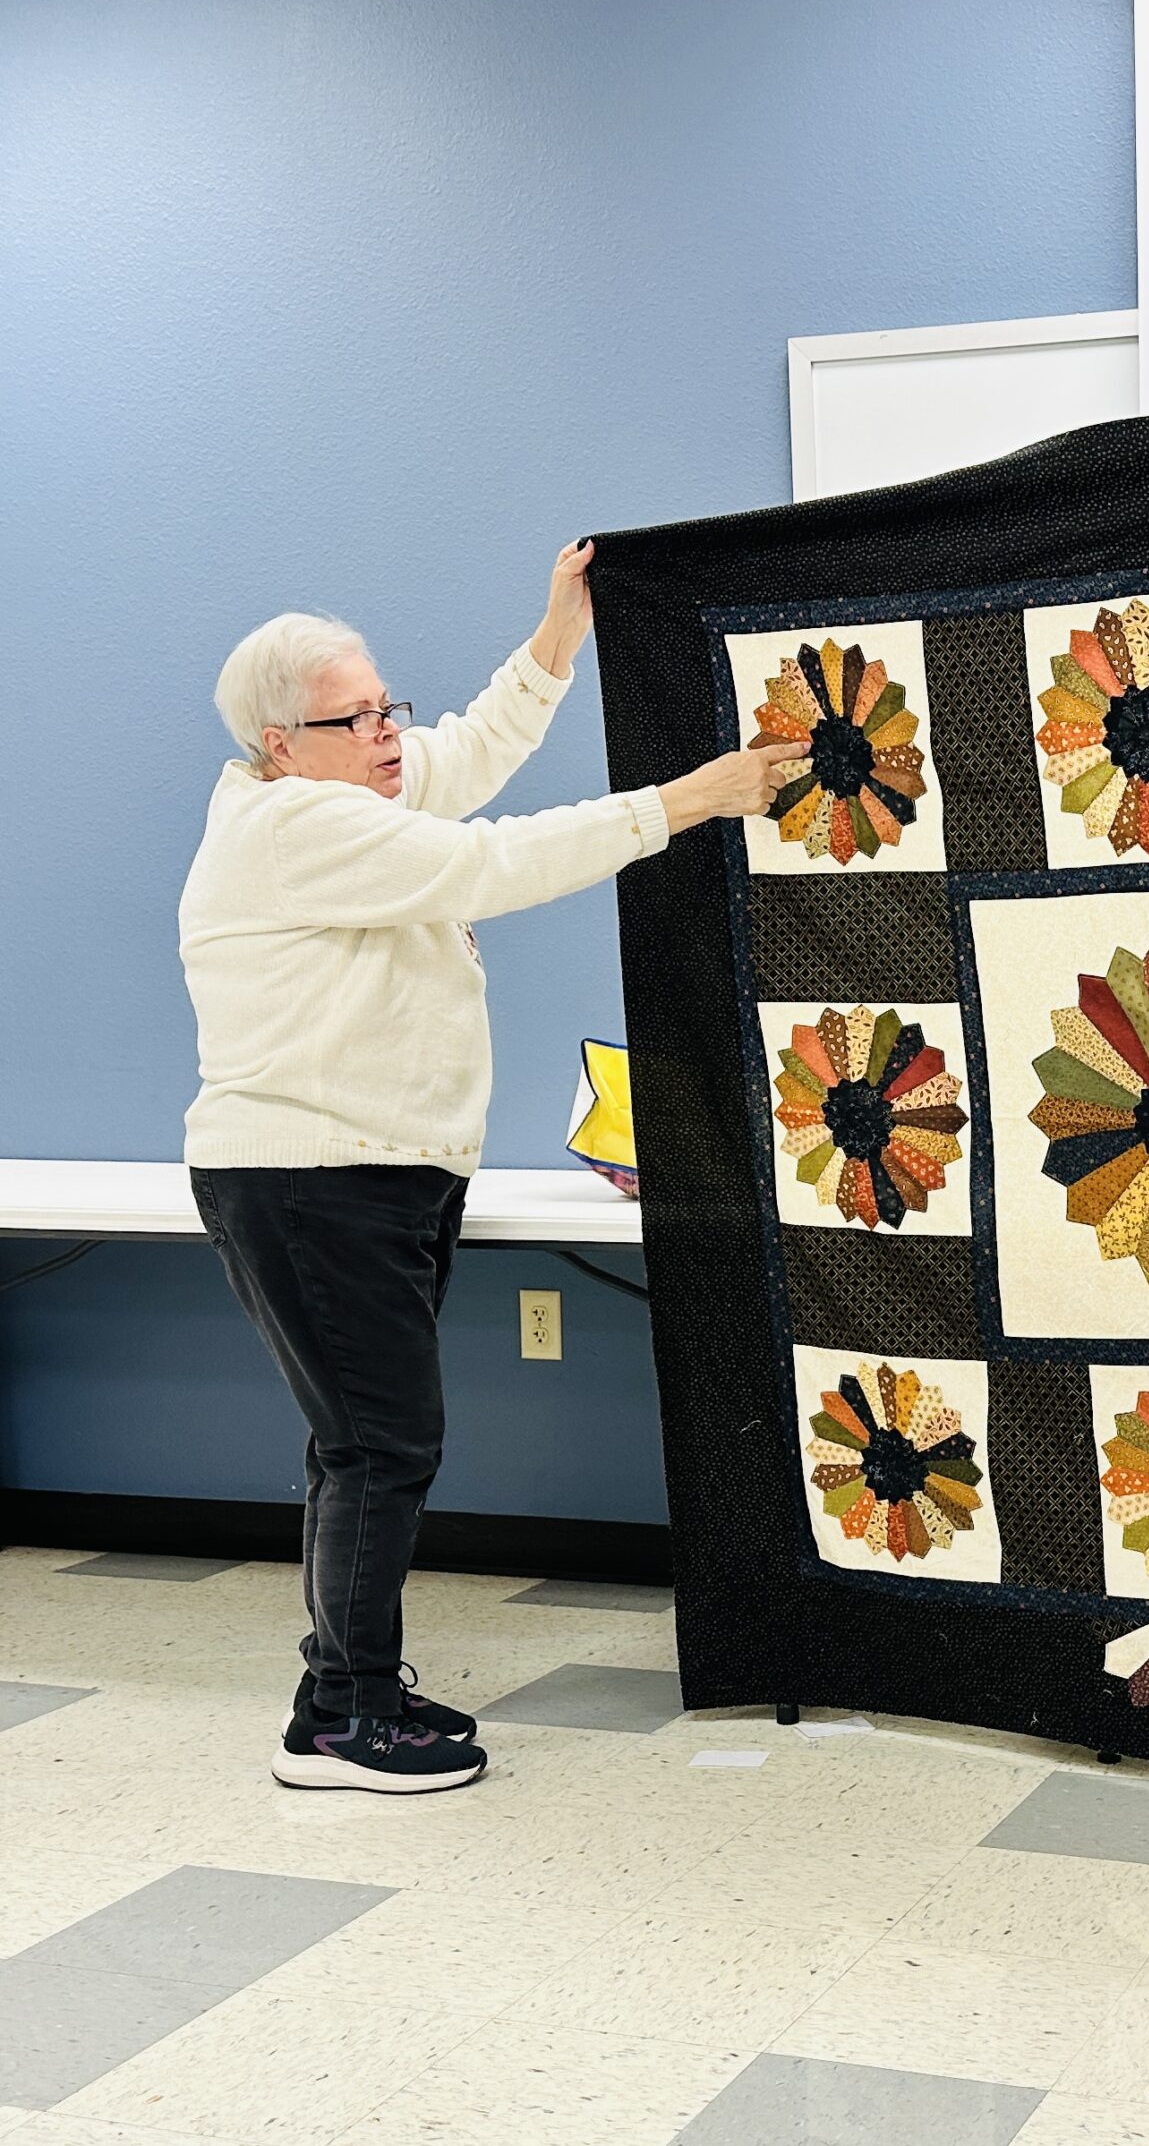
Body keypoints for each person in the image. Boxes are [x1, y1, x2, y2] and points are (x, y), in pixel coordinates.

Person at [180, 541, 803, 1794]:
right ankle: (345, 1722)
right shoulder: (295, 824)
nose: (387, 732)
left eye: (385, 705)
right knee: (380, 1443)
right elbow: (490, 860)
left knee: (359, 1441)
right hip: (313, 1178)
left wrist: (556, 635)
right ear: (278, 743)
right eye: (354, 718)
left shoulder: (343, 795)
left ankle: (341, 1685)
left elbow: (466, 756)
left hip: (366, 1175)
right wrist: (692, 797)